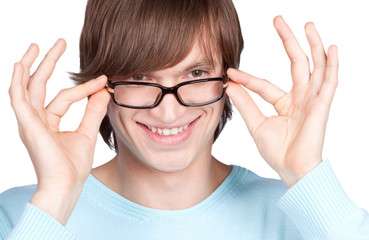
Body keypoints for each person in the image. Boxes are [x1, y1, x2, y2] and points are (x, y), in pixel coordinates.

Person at [1, 0, 368, 239]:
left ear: (228, 79)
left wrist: (306, 173)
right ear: (100, 85)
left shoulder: (307, 218)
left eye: (194, 75)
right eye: (140, 78)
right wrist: (55, 198)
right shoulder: (24, 217)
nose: (168, 111)